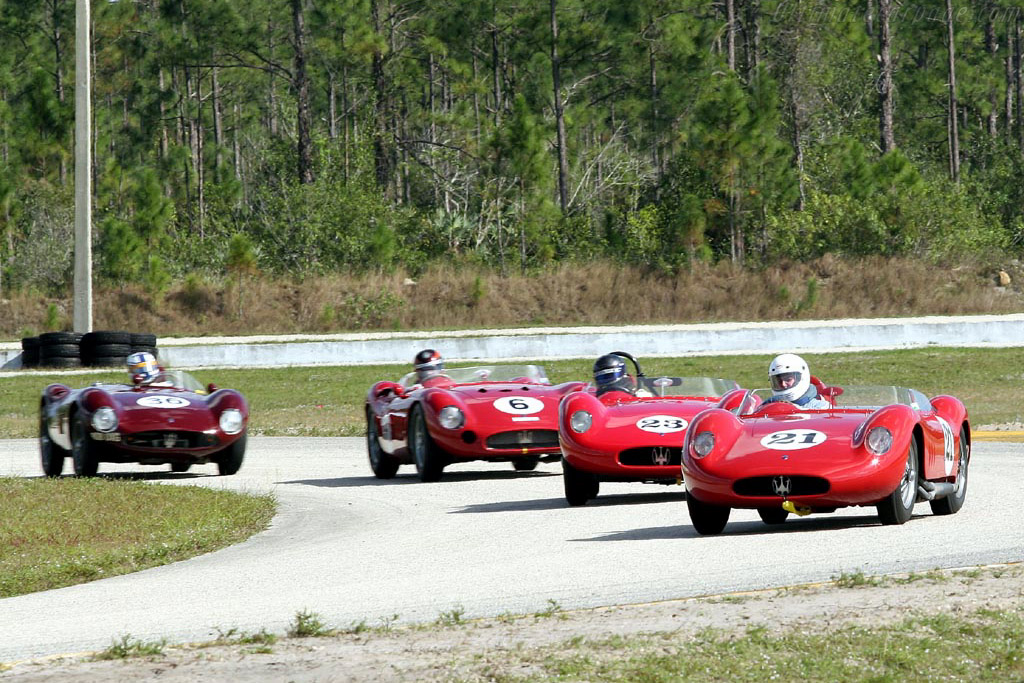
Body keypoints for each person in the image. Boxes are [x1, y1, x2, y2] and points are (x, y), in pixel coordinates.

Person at [763, 353, 831, 409]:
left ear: (802, 378)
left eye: (788, 380)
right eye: (778, 381)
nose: (783, 384)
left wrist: (791, 407)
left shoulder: (822, 407)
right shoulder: (768, 405)